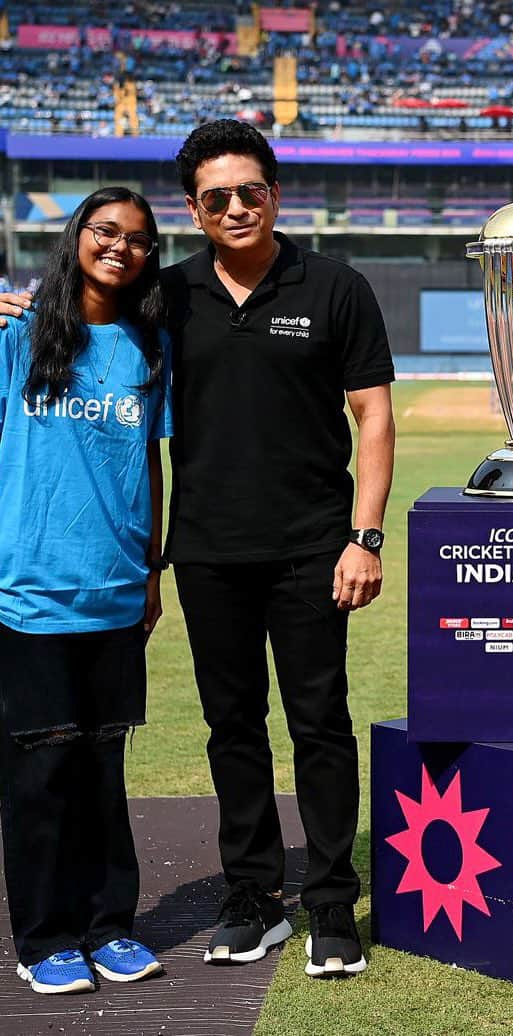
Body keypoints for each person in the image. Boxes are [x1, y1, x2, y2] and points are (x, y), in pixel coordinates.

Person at [165, 120, 394, 977]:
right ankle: (254, 897)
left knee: (319, 725)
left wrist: (363, 536)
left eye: (250, 191)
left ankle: (332, 900)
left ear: (275, 195)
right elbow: (91, 344)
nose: (236, 207)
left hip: (312, 547)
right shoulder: (170, 295)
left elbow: (372, 414)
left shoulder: (335, 286)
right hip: (207, 549)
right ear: (194, 210)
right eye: (216, 196)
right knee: (232, 727)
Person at [0, 187, 171, 993]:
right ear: (77, 238)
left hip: (116, 589)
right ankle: (44, 939)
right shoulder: (17, 332)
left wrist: (151, 569)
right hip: (28, 590)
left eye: (138, 239)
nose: (121, 247)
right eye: (106, 232)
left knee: (103, 768)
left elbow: (149, 464)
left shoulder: (147, 346)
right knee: (39, 774)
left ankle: (109, 926)